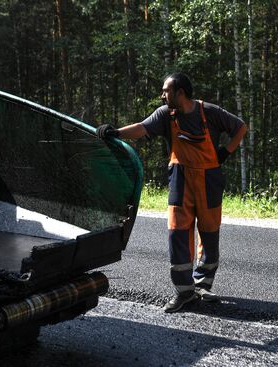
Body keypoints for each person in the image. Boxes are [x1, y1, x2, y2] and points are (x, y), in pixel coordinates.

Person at [96, 73, 247, 313]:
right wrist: (115, 132)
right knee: (178, 232)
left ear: (180, 93)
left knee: (209, 232)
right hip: (180, 179)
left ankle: (203, 284)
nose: (162, 95)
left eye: (165, 90)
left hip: (209, 179)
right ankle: (184, 291)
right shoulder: (165, 114)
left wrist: (225, 152)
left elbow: (240, 127)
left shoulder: (210, 111)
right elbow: (142, 128)